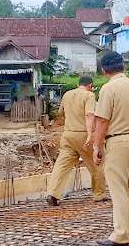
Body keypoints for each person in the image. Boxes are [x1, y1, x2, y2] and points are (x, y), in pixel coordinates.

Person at [92, 51, 129, 246]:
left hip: (118, 141)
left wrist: (97, 146)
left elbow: (102, 120)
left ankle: (121, 233)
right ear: (123, 65)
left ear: (104, 69)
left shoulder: (109, 89)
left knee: (118, 188)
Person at [46, 76, 108, 206]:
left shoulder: (67, 94)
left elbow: (60, 112)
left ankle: (52, 193)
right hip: (83, 135)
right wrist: (90, 134)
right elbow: (89, 114)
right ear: (90, 86)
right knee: (97, 164)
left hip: (68, 135)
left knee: (61, 166)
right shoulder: (89, 96)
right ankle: (99, 194)